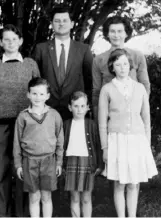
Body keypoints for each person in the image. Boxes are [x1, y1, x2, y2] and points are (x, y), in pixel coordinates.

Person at [0, 24, 40, 217]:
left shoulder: (30, 64)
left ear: (21, 41)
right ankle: (3, 213)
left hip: (27, 124)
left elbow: (39, 91)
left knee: (24, 169)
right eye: (6, 39)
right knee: (2, 170)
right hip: (1, 124)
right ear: (0, 43)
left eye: (14, 39)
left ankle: (22, 213)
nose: (11, 43)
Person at [98, 48, 158, 217]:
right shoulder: (107, 89)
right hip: (116, 140)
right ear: (112, 67)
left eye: (125, 63)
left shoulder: (139, 88)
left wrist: (146, 144)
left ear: (130, 65)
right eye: (118, 64)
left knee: (133, 183)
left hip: (137, 141)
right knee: (119, 183)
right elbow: (102, 122)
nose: (122, 67)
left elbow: (146, 119)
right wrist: (105, 148)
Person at [13, 77, 64, 218]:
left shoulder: (54, 115)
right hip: (30, 161)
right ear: (28, 94)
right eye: (34, 93)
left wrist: (59, 162)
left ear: (47, 96)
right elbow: (17, 142)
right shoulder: (23, 117)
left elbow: (60, 140)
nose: (37, 97)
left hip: (49, 161)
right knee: (34, 197)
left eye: (41, 94)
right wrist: (18, 164)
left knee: (46, 197)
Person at [32, 5, 93, 120]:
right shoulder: (41, 49)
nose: (61, 24)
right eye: (57, 21)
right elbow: (35, 80)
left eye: (65, 20)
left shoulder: (83, 49)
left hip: (75, 110)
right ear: (51, 24)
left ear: (72, 24)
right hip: (46, 110)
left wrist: (86, 107)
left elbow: (89, 81)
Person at [92, 16, 150, 120]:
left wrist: (141, 111)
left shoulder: (137, 56)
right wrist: (98, 118)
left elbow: (145, 85)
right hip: (109, 114)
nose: (116, 35)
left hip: (133, 114)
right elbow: (96, 91)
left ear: (126, 33)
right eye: (112, 31)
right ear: (107, 34)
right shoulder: (98, 60)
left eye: (120, 31)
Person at [63, 91, 104, 217]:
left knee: (86, 198)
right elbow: (61, 146)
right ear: (70, 107)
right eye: (76, 106)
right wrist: (61, 164)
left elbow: (97, 146)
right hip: (71, 162)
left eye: (82, 106)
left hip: (88, 162)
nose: (79, 110)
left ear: (87, 107)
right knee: (74, 197)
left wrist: (100, 164)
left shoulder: (92, 125)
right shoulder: (66, 125)